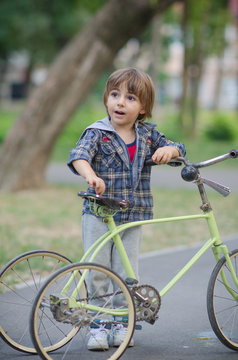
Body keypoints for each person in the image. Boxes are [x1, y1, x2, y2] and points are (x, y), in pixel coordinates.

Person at [68, 67, 186, 350]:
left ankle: (122, 323)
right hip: (100, 213)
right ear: (107, 99)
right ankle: (98, 325)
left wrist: (171, 151)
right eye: (115, 94)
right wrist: (90, 176)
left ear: (143, 107)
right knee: (98, 271)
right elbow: (79, 156)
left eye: (130, 98)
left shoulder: (147, 135)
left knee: (127, 273)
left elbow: (177, 147)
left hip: (133, 215)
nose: (121, 102)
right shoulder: (98, 132)